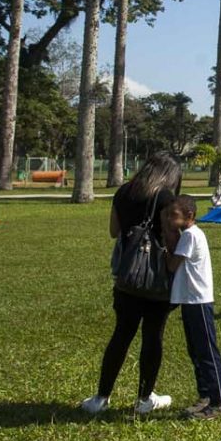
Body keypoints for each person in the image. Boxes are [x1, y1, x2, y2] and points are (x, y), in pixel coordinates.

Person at [82, 152, 182, 415]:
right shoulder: (166, 198)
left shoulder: (124, 192)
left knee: (121, 335)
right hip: (156, 281)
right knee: (153, 336)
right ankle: (144, 398)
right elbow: (173, 240)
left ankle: (101, 396)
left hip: (127, 279)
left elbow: (114, 231)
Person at [162, 196, 221, 420]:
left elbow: (172, 266)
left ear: (189, 216)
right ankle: (205, 397)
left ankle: (219, 402)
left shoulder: (190, 235)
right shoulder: (188, 235)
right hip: (190, 301)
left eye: (174, 215)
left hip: (198, 301)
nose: (171, 219)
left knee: (208, 353)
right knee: (196, 352)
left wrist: (166, 244)